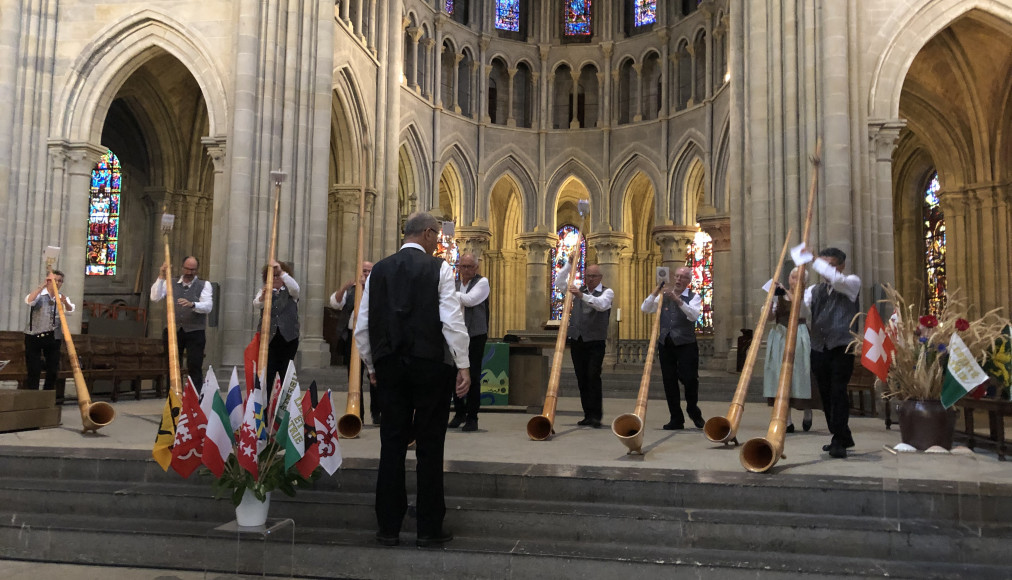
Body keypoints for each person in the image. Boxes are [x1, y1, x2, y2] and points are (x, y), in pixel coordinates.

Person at [354, 212, 470, 548]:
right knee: (430, 446)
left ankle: (388, 527)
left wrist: (373, 366)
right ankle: (429, 528)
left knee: (391, 444)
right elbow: (451, 320)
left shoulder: (379, 270)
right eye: (437, 236)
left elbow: (364, 325)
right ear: (429, 233)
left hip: (390, 365)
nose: (439, 242)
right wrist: (463, 365)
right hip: (430, 364)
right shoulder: (440, 269)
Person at [804, 247, 861, 459]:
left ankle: (839, 440)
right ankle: (841, 434)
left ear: (841, 266)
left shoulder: (851, 283)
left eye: (830, 265)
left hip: (842, 346)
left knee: (838, 391)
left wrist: (814, 259)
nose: (825, 270)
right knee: (825, 394)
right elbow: (802, 310)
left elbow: (835, 280)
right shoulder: (814, 290)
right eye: (824, 265)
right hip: (819, 347)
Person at [641, 267, 704, 430]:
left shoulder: (694, 297)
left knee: (689, 379)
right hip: (666, 343)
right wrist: (655, 292)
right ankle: (676, 417)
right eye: (676, 276)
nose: (678, 280)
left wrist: (677, 300)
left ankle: (693, 410)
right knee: (669, 381)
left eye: (682, 277)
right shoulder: (662, 297)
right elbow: (645, 309)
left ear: (688, 281)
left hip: (686, 344)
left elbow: (694, 316)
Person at [557, 262, 613, 429]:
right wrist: (568, 264)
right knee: (582, 378)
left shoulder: (607, 292)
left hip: (595, 342)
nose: (590, 279)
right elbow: (559, 282)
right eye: (587, 276)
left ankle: (596, 415)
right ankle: (588, 414)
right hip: (578, 340)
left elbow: (600, 305)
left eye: (593, 276)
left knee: (593, 376)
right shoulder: (578, 291)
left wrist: (581, 296)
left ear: (600, 277)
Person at [762, 268, 814, 433]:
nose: (794, 281)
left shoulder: (808, 295)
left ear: (804, 282)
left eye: (798, 278)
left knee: (800, 373)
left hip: (799, 335)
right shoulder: (779, 296)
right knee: (781, 375)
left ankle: (807, 411)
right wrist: (770, 300)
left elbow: (800, 309)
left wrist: (785, 290)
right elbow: (769, 318)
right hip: (780, 336)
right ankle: (788, 420)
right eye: (792, 277)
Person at [150, 256, 214, 386]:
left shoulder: (204, 285)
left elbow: (208, 306)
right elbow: (155, 297)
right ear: (182, 268)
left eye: (193, 270)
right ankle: (173, 398)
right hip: (174, 330)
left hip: (195, 331)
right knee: (172, 366)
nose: (189, 272)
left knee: (194, 365)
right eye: (187, 269)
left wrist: (193, 305)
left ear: (197, 270)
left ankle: (195, 400)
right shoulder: (171, 282)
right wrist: (162, 276)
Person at [329, 261, 377, 424]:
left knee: (375, 375)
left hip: (372, 336)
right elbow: (335, 303)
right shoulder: (351, 290)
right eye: (363, 270)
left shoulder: (378, 289)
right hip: (352, 336)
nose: (366, 274)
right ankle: (357, 413)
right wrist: (344, 287)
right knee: (354, 374)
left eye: (369, 271)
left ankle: (376, 413)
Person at [448, 253, 489, 432]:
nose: (465, 270)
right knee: (453, 375)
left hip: (475, 335)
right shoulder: (456, 285)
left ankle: (473, 417)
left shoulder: (482, 282)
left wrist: (448, 294)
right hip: (456, 334)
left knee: (472, 375)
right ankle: (459, 413)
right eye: (462, 266)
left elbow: (471, 300)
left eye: (469, 266)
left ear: (476, 267)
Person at [253, 260, 300, 398]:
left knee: (287, 376)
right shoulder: (264, 292)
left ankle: (287, 413)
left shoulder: (291, 292)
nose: (275, 279)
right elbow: (257, 304)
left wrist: (281, 271)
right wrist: (263, 297)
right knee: (267, 377)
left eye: (277, 276)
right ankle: (264, 413)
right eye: (272, 276)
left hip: (288, 339)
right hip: (269, 340)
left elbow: (296, 288)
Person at [24, 271, 74, 391]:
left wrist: (65, 302)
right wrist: (41, 286)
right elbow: (29, 301)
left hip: (53, 336)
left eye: (60, 280)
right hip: (34, 335)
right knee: (34, 370)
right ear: (48, 281)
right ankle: (33, 397)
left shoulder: (62, 297)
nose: (57, 283)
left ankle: (47, 396)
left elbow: (71, 310)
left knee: (52, 370)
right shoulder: (40, 295)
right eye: (54, 280)